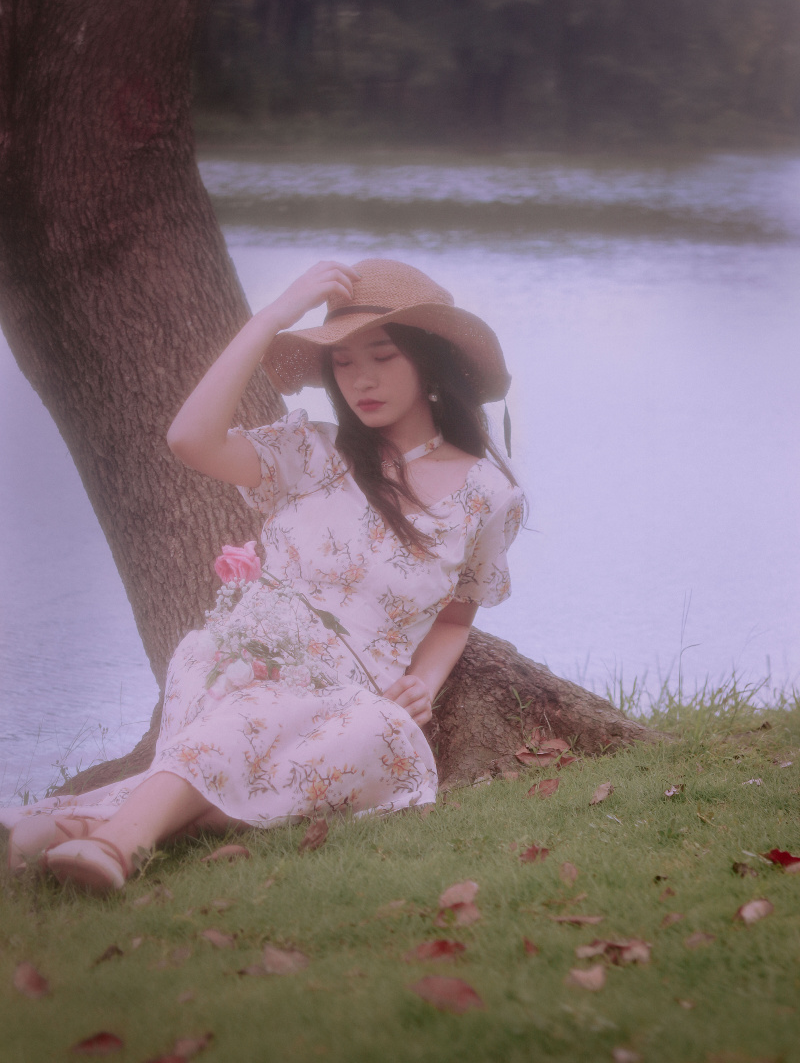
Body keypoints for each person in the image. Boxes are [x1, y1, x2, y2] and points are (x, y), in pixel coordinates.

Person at [3, 258, 524, 892]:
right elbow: (190, 439)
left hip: (355, 696)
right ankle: (118, 845)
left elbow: (459, 612)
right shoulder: (311, 452)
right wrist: (275, 316)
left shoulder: (488, 494)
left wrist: (424, 681)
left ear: (429, 361)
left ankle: (81, 821)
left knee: (385, 735)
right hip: (249, 661)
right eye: (342, 362)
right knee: (255, 713)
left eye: (383, 357)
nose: (361, 379)